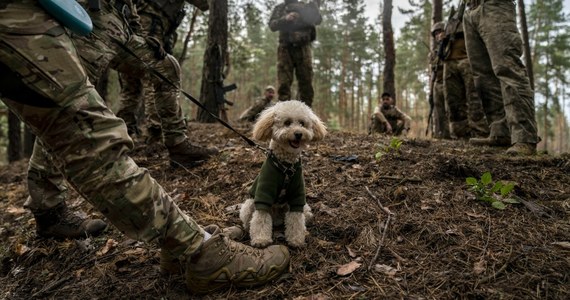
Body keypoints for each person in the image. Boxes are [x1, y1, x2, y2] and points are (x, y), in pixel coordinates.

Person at [0, 0, 289, 294]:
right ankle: (195, 248)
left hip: (115, 22)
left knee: (163, 66)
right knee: (77, 123)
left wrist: (138, 30)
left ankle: (176, 144)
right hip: (63, 15)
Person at [73, 0, 217, 168]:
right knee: (71, 96)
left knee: (165, 67)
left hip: (121, 30)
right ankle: (48, 178)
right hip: (88, 28)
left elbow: (131, 10)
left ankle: (176, 144)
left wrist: (140, 36)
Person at [116, 0, 209, 144]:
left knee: (131, 86)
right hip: (149, 22)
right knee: (153, 77)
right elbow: (204, 4)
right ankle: (155, 131)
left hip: (140, 22)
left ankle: (125, 133)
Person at [463, 0, 539, 155]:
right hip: (469, 10)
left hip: (495, 5)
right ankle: (500, 132)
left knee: (508, 69)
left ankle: (524, 137)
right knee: (483, 77)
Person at [440, 15, 489, 139]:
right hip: (449, 63)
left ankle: (480, 133)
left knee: (474, 97)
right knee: (453, 101)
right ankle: (460, 134)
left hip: (467, 61)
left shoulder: (471, 19)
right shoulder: (448, 26)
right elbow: (441, 52)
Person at [269, 0, 322, 107]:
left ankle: (306, 113)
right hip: (285, 48)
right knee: (284, 83)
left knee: (306, 82)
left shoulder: (306, 6)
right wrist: (285, 19)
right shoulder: (280, 8)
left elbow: (318, 20)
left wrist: (313, 7)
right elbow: (272, 25)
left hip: (303, 48)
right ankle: (283, 113)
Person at [430, 22, 451, 139]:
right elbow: (432, 73)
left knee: (451, 109)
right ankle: (442, 135)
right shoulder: (433, 54)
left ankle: (454, 134)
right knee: (439, 111)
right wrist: (430, 91)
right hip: (437, 84)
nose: (438, 35)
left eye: (440, 32)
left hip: (449, 81)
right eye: (436, 34)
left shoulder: (450, 46)